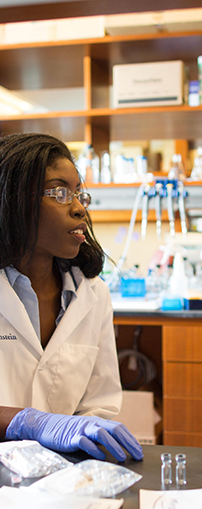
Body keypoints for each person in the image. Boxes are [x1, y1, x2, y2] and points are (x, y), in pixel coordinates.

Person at [0, 132, 143, 462]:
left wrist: (88, 434)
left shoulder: (93, 295)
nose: (79, 209)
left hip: (60, 482)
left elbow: (99, 403)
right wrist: (26, 423)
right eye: (60, 192)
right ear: (13, 199)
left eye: (79, 194)